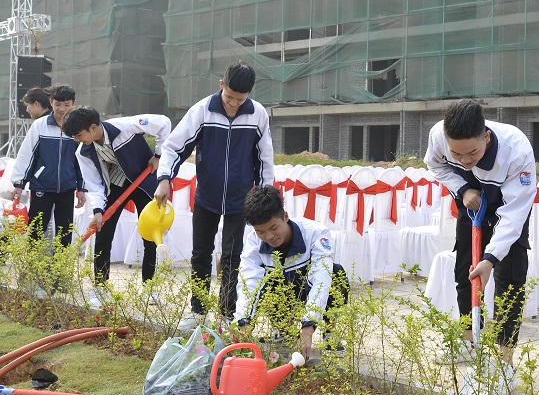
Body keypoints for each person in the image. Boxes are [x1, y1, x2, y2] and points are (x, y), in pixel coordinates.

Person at [424, 99, 534, 395]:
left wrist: (490, 258)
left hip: (508, 204)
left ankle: (504, 363)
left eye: (472, 152)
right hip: (471, 200)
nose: (464, 158)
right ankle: (468, 340)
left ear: (486, 136)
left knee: (510, 281)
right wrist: (462, 189)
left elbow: (513, 216)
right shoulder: (438, 136)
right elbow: (435, 165)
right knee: (464, 271)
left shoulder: (517, 149)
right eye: (456, 153)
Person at [155, 62, 274, 330]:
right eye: (229, 96)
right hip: (207, 195)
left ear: (249, 95)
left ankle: (226, 314)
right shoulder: (202, 111)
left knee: (234, 256)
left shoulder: (257, 114)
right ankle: (197, 311)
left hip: (241, 198)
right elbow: (173, 147)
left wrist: (267, 194)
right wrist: (164, 179)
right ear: (221, 85)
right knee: (201, 254)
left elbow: (265, 157)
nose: (233, 104)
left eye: (240, 99)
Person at [62, 106, 171, 305]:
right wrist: (97, 210)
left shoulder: (125, 127)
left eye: (79, 135)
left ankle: (150, 288)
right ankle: (101, 288)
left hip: (144, 180)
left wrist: (158, 155)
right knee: (103, 233)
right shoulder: (83, 152)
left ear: (93, 128)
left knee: (149, 234)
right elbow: (94, 184)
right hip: (117, 184)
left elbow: (164, 122)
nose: (77, 140)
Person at [232, 185, 349, 358]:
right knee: (267, 282)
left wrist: (308, 328)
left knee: (335, 273)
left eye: (273, 228)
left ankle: (330, 332)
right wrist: (243, 323)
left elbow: (320, 280)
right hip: (283, 291)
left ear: (285, 216)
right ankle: (285, 330)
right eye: (260, 231)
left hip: (307, 286)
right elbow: (248, 281)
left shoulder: (315, 233)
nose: (269, 237)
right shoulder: (253, 241)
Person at [10, 85, 84, 249]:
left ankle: (60, 272)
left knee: (64, 232)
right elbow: (26, 155)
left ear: (74, 103)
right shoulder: (39, 126)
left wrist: (82, 188)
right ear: (51, 102)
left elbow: (82, 161)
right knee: (36, 229)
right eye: (58, 104)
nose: (62, 109)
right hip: (41, 186)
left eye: (67, 105)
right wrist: (19, 183)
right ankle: (31, 269)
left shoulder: (78, 128)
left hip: (67, 188)